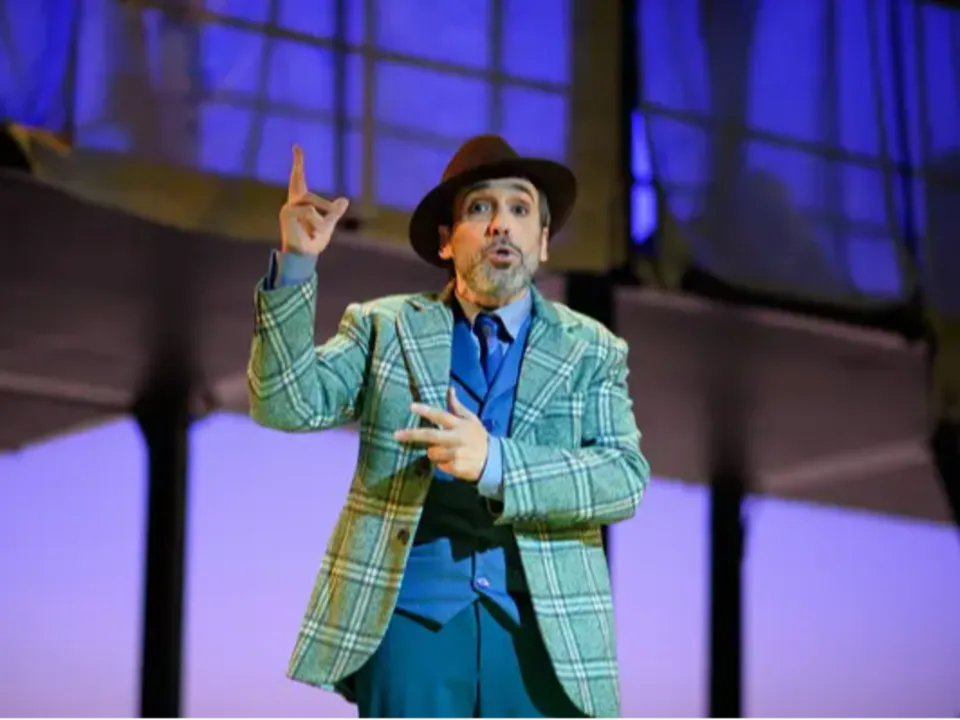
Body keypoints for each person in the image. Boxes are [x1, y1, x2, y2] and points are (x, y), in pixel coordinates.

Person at [247, 134, 650, 720]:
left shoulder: (591, 350)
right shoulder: (386, 328)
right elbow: (283, 404)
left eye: (519, 209)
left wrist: (496, 463)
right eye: (480, 207)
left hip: (543, 636)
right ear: (445, 239)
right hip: (413, 628)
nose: (500, 225)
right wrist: (297, 264)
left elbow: (624, 478)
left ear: (542, 240)